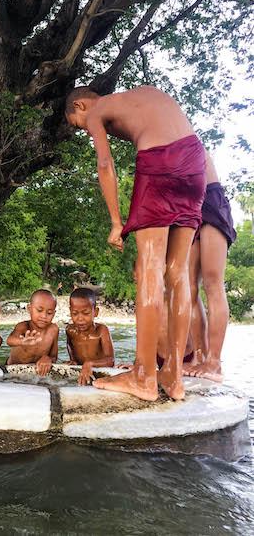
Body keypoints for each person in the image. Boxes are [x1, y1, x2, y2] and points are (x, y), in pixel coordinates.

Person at [65, 85, 206, 401]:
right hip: (195, 161)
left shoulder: (99, 109)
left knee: (150, 268)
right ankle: (174, 374)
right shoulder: (141, 95)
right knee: (177, 272)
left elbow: (105, 164)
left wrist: (116, 222)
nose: (87, 130)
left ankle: (143, 376)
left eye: (79, 124)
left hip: (160, 162)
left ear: (81, 105)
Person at [183, 152, 236, 382]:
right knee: (189, 287)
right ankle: (199, 355)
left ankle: (214, 361)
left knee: (213, 282)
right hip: (187, 207)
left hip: (209, 198)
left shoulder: (183, 135)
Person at [66, 287, 114, 385]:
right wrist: (73, 360)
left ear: (95, 312)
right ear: (70, 311)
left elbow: (111, 360)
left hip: (101, 373)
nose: (80, 319)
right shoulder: (70, 330)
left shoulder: (101, 331)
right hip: (82, 371)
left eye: (86, 313)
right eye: (75, 313)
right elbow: (69, 345)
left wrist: (90, 364)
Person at [7, 289, 59, 376]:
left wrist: (47, 358)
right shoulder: (23, 326)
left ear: (54, 313)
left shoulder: (53, 330)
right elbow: (10, 341)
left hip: (36, 373)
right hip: (13, 370)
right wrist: (22, 342)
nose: (44, 316)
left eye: (49, 313)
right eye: (39, 310)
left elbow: (54, 356)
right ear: (29, 309)